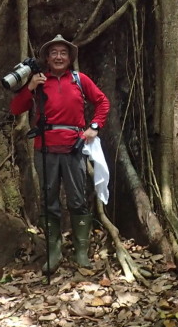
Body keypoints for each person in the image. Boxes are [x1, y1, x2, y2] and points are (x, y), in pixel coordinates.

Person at [10, 34, 109, 271]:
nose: (58, 56)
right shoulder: (38, 82)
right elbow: (15, 108)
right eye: (53, 52)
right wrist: (30, 87)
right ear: (46, 57)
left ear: (70, 57)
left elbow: (102, 102)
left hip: (74, 148)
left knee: (77, 199)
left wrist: (94, 127)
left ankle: (81, 252)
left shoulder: (79, 79)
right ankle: (54, 251)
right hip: (45, 149)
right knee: (49, 201)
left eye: (63, 53)